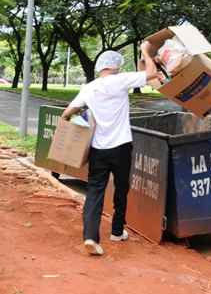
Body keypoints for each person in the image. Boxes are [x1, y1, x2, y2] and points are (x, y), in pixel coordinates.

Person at [61, 43, 161, 256]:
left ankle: (90, 236)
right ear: (115, 66)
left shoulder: (89, 88)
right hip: (121, 147)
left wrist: (81, 120)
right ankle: (117, 231)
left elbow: (67, 113)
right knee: (122, 188)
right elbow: (151, 73)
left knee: (95, 191)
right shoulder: (121, 81)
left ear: (99, 67)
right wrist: (145, 50)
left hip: (98, 148)